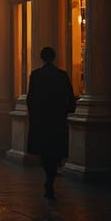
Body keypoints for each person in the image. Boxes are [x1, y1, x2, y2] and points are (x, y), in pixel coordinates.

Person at [27, 46, 76, 201]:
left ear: (42, 58)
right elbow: (70, 96)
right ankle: (50, 179)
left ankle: (49, 178)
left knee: (45, 151)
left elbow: (30, 98)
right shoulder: (62, 75)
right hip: (57, 119)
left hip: (42, 120)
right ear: (54, 57)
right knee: (55, 151)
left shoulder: (36, 75)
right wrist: (68, 110)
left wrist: (33, 115)